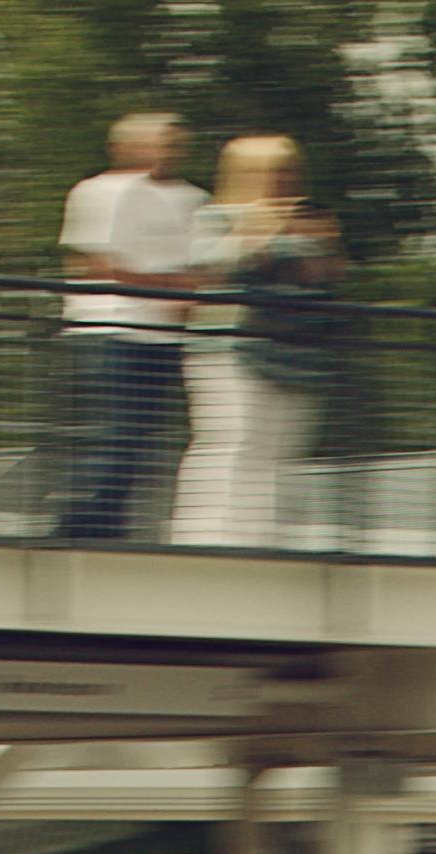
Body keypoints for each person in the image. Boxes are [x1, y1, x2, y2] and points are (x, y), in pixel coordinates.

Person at [170, 135, 340, 550]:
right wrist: (258, 234)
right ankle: (207, 538)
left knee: (280, 450)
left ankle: (265, 539)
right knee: (233, 441)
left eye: (286, 171)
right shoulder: (216, 217)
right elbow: (209, 265)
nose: (279, 181)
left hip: (292, 353)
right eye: (269, 172)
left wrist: (315, 243)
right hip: (230, 350)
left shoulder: (309, 218)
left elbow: (324, 271)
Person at [54, 113, 206, 543]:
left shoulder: (193, 199)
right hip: (110, 329)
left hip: (165, 335)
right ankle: (85, 529)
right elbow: (98, 264)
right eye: (160, 142)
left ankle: (117, 527)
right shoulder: (101, 192)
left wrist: (185, 293)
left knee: (142, 441)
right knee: (114, 437)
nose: (168, 151)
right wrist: (171, 287)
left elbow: (202, 268)